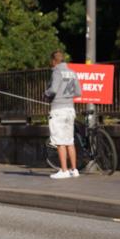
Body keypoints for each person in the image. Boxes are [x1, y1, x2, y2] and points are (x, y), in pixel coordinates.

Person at [45, 50, 81, 179]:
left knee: (60, 142)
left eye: (51, 61)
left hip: (58, 110)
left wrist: (46, 93)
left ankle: (64, 170)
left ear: (54, 61)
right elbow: (78, 92)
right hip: (70, 109)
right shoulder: (72, 72)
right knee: (70, 141)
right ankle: (74, 170)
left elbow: (53, 89)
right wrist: (67, 96)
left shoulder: (57, 71)